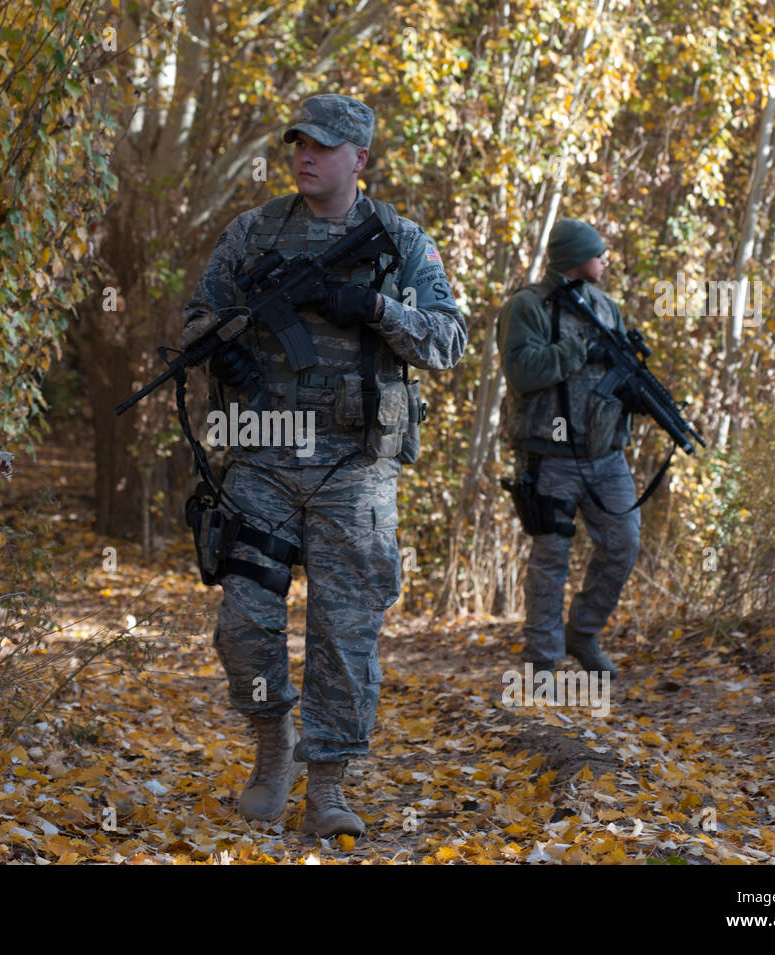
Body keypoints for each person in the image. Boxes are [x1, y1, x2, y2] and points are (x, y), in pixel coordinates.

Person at [179, 94, 466, 836]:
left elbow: (446, 341)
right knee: (244, 623)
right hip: (263, 456)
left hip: (356, 466)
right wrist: (226, 336)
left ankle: (328, 785)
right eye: (299, 142)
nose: (306, 155)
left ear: (360, 159)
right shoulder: (253, 232)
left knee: (344, 633)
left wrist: (373, 307)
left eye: (325, 145)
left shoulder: (401, 241)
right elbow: (196, 317)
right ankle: (273, 744)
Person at [496, 217, 642, 683]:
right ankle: (542, 657)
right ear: (577, 259)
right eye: (599, 251)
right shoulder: (527, 306)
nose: (606, 259)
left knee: (623, 543)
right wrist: (577, 349)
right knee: (550, 557)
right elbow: (522, 371)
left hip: (605, 455)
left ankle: (583, 633)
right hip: (549, 454)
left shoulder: (607, 307)